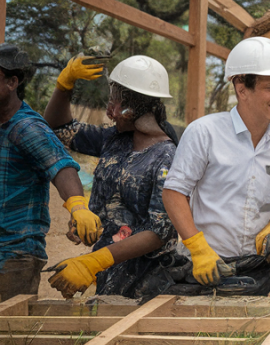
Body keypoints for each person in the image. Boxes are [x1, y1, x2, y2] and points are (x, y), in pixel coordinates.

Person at [163, 36, 270, 295]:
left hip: (257, 273)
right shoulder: (205, 133)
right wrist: (197, 248)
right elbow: (173, 193)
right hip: (202, 269)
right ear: (242, 89)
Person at [43, 55, 179, 299]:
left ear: (131, 108)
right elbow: (56, 129)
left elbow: (160, 231)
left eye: (113, 102)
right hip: (107, 273)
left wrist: (94, 261)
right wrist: (64, 86)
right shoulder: (114, 140)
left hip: (147, 281)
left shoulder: (167, 158)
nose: (108, 111)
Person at [0, 44, 95, 300]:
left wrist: (77, 206)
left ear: (12, 82)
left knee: (9, 334)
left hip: (14, 256)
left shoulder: (26, 127)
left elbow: (61, 166)